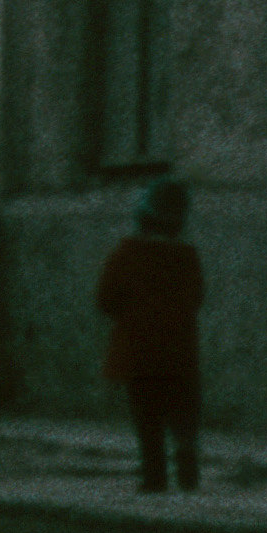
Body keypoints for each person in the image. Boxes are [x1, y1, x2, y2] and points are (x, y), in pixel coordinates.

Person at [96, 177, 207, 494]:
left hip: (140, 350)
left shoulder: (128, 252)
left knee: (148, 415)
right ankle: (188, 468)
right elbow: (197, 296)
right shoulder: (187, 255)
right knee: (183, 410)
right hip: (180, 349)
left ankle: (155, 476)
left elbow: (105, 297)